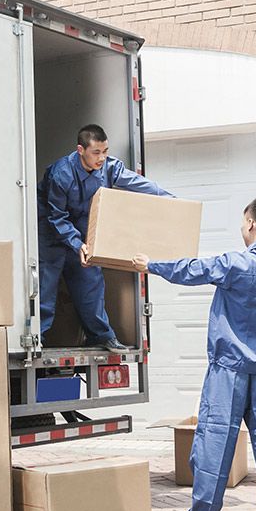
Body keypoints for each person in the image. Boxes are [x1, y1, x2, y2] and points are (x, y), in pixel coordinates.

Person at [130, 197, 256, 511]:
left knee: (216, 440)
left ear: (251, 223)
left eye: (243, 221)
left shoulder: (235, 263)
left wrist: (151, 265)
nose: (242, 227)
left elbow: (193, 270)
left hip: (230, 368)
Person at [39, 124, 171, 354]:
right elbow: (56, 216)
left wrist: (170, 199)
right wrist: (76, 243)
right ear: (81, 150)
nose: (102, 158)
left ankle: (101, 336)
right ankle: (38, 336)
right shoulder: (62, 174)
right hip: (52, 230)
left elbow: (140, 184)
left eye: (105, 151)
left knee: (90, 280)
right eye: (96, 153)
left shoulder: (110, 167)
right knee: (46, 282)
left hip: (81, 228)